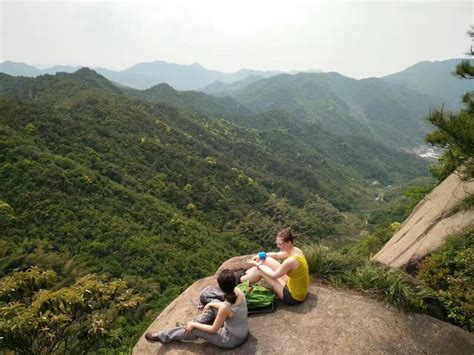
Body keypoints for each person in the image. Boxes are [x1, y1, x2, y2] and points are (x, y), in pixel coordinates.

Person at [145, 269, 249, 349]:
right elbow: (225, 306)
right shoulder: (238, 291)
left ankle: (163, 336)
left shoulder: (225, 307)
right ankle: (187, 326)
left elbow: (214, 329)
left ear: (221, 287)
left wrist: (194, 325)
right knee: (214, 304)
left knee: (195, 330)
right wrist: (211, 304)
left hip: (231, 339)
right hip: (242, 330)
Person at [241, 227, 309, 305]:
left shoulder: (291, 261)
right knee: (266, 259)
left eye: (280, 244)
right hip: (296, 286)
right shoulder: (296, 250)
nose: (277, 246)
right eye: (277, 243)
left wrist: (258, 265)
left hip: (293, 296)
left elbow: (274, 276)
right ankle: (248, 274)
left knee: (260, 270)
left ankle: (240, 279)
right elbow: (276, 255)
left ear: (289, 243)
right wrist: (262, 255)